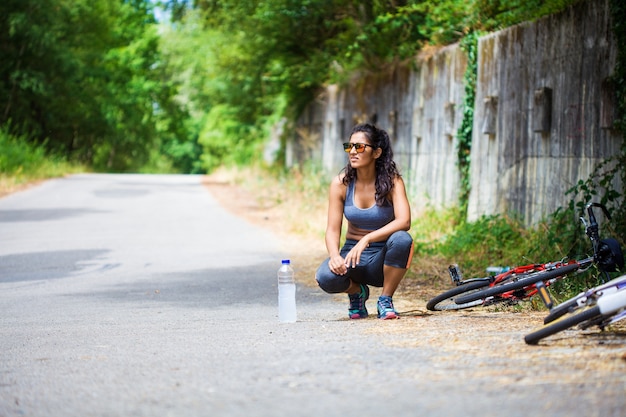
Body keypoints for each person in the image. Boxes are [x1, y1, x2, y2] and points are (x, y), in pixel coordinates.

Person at [315, 123, 413, 319]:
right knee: (325, 277)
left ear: (376, 152)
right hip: (352, 257)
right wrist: (335, 256)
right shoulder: (341, 184)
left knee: (403, 239)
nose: (352, 151)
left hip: (382, 260)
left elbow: (404, 221)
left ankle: (385, 299)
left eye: (359, 147)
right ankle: (357, 293)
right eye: (349, 146)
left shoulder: (393, 181)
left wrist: (367, 239)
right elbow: (333, 230)